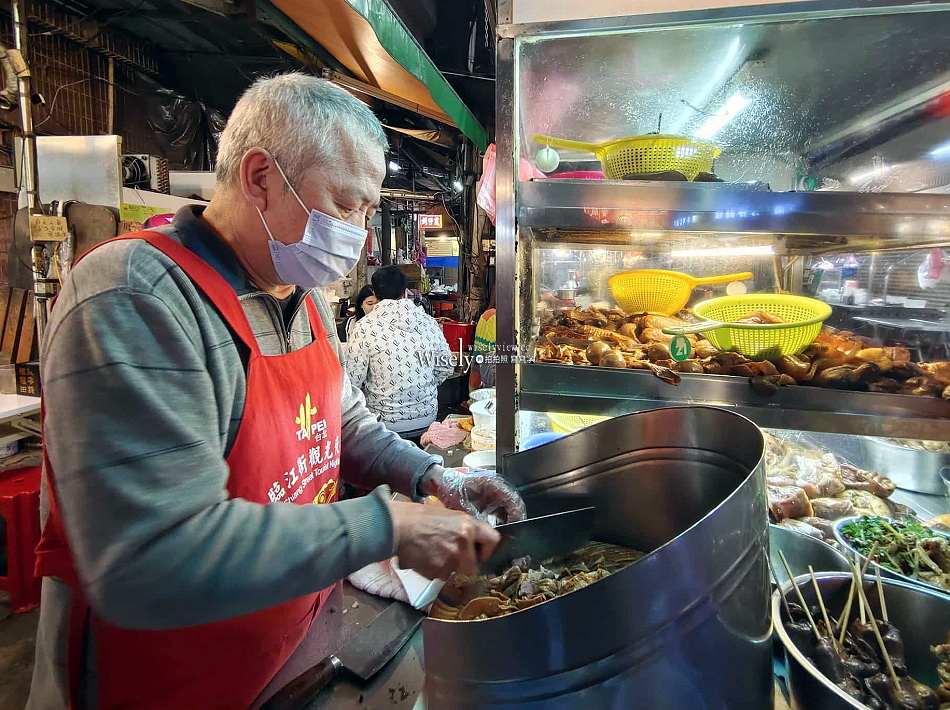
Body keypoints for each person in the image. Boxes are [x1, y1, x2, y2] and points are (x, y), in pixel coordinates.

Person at [27, 73, 525, 710]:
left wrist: (430, 478)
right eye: (346, 206)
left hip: (291, 652)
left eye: (367, 212)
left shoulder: (305, 299)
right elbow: (152, 559)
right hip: (166, 684)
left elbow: (347, 429)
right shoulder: (138, 296)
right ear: (260, 177)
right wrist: (389, 523)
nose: (362, 237)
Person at [345, 265, 454, 441]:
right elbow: (446, 366)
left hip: (383, 425)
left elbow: (352, 380)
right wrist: (423, 385)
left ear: (377, 294)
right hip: (427, 420)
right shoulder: (429, 322)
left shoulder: (364, 327)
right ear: (405, 292)